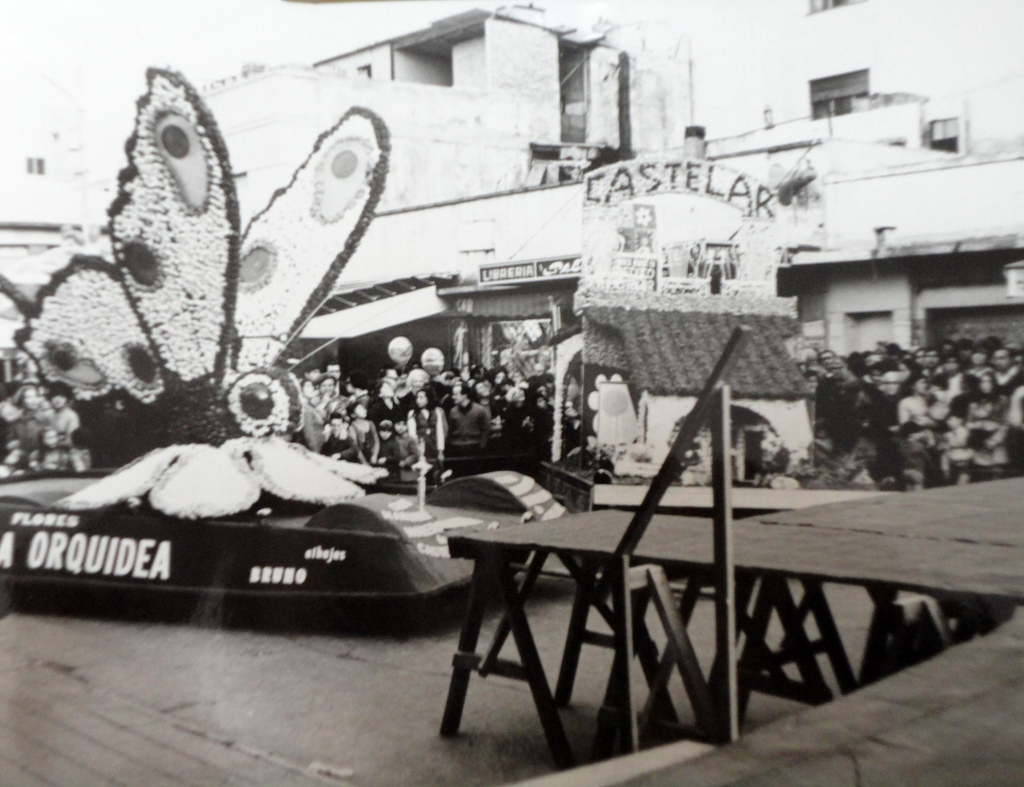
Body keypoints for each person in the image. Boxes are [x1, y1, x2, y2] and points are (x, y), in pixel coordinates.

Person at [445, 382, 491, 459]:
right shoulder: (453, 411)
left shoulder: (480, 410)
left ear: (464, 395)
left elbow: (486, 429)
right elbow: (450, 430)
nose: (453, 397)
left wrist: (482, 445)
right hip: (456, 447)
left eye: (456, 394)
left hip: (475, 446)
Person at [407, 389, 446, 470]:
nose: (418, 400)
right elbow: (412, 435)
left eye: (421, 397)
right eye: (417, 398)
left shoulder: (437, 411)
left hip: (434, 446)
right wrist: (418, 453)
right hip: (421, 447)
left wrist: (440, 451)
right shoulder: (412, 413)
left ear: (428, 398)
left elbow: (440, 432)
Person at [347, 399, 379, 466]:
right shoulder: (352, 428)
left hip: (372, 457)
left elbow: (376, 440)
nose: (364, 410)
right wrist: (364, 463)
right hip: (359, 459)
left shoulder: (370, 423)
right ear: (353, 414)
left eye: (363, 408)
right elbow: (356, 448)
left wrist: (375, 455)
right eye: (359, 409)